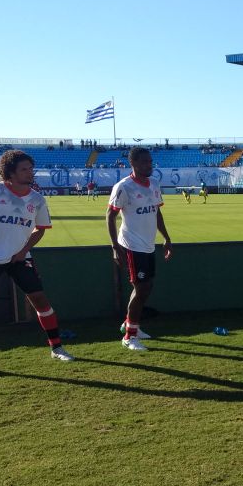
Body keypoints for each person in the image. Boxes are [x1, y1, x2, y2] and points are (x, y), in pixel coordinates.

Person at [0, 150, 74, 374]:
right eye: (24, 169)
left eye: (31, 168)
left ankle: (57, 348)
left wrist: (24, 250)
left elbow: (40, 230)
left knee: (40, 301)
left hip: (20, 258)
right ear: (10, 172)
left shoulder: (37, 199)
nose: (30, 172)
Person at [107, 147, 173, 350]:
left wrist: (167, 238)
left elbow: (156, 213)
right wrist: (115, 246)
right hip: (131, 245)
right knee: (141, 287)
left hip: (148, 245)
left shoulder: (153, 183)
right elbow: (110, 216)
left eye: (150, 161)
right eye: (144, 162)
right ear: (133, 164)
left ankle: (130, 324)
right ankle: (129, 336)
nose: (149, 165)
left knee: (146, 287)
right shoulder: (123, 187)